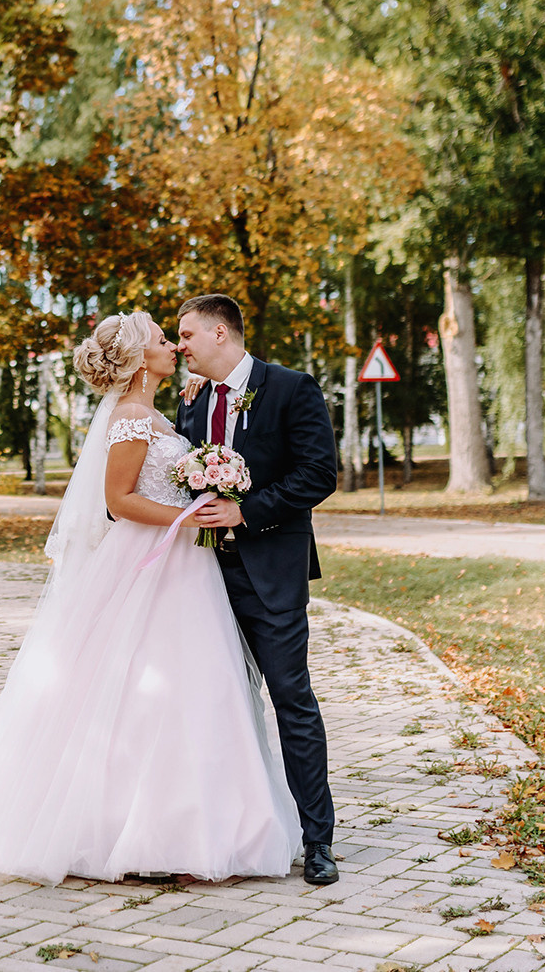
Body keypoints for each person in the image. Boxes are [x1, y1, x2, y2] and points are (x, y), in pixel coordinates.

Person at [0, 310, 302, 886]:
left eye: (177, 338)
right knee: (142, 690)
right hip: (151, 560)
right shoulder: (131, 418)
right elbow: (118, 501)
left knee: (192, 692)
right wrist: (192, 518)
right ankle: (128, 830)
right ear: (139, 359)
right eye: (165, 340)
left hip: (185, 565)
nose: (173, 347)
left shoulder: (156, 412)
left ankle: (189, 825)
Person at [175, 293, 341, 884]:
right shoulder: (189, 402)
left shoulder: (292, 388)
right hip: (199, 580)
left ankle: (318, 841)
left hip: (270, 572)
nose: (180, 346)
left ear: (221, 333)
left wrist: (248, 512)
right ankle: (224, 832)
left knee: (291, 701)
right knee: (211, 706)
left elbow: (320, 473)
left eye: (188, 334)